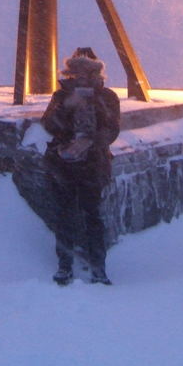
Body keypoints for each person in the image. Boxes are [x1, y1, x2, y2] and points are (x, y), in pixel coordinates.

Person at [41, 47, 120, 285]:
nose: (83, 78)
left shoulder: (107, 97)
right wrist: (68, 106)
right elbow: (49, 124)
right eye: (78, 73)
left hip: (92, 164)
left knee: (92, 215)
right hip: (64, 164)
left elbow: (112, 129)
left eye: (88, 73)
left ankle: (98, 267)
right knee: (65, 215)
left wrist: (88, 144)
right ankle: (64, 266)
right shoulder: (61, 95)